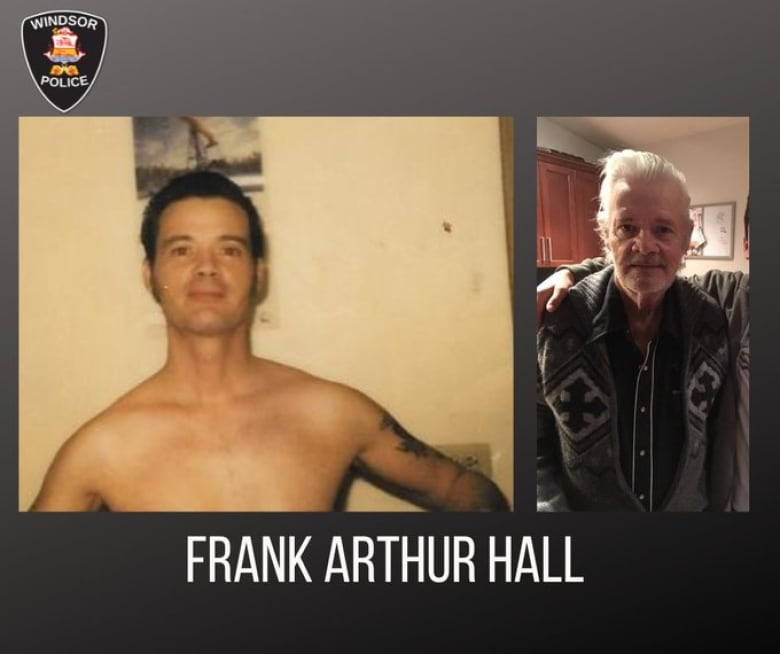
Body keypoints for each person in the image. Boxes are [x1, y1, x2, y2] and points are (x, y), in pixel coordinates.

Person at [30, 171, 509, 512]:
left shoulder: (330, 413)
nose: (206, 266)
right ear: (149, 275)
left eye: (230, 249)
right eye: (181, 250)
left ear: (257, 274)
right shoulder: (102, 449)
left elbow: (463, 491)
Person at [536, 149, 731, 511]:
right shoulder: (560, 320)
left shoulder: (713, 319)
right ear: (605, 234)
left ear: (686, 237)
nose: (644, 245)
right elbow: (533, 438)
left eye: (663, 229)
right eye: (627, 227)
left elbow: (718, 437)